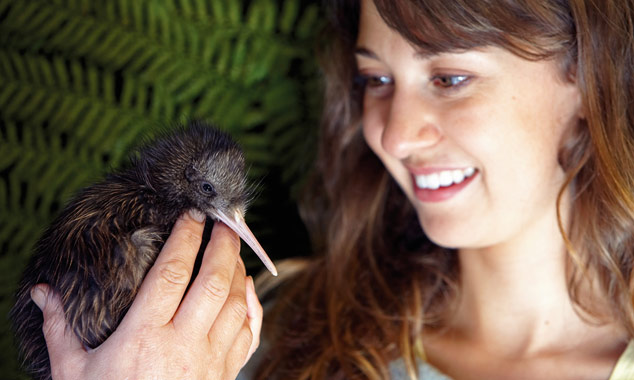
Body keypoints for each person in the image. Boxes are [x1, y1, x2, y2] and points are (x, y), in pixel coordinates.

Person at [30, 0, 634, 379]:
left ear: (584, 77)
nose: (393, 135)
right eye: (375, 78)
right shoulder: (252, 327)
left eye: (450, 78)